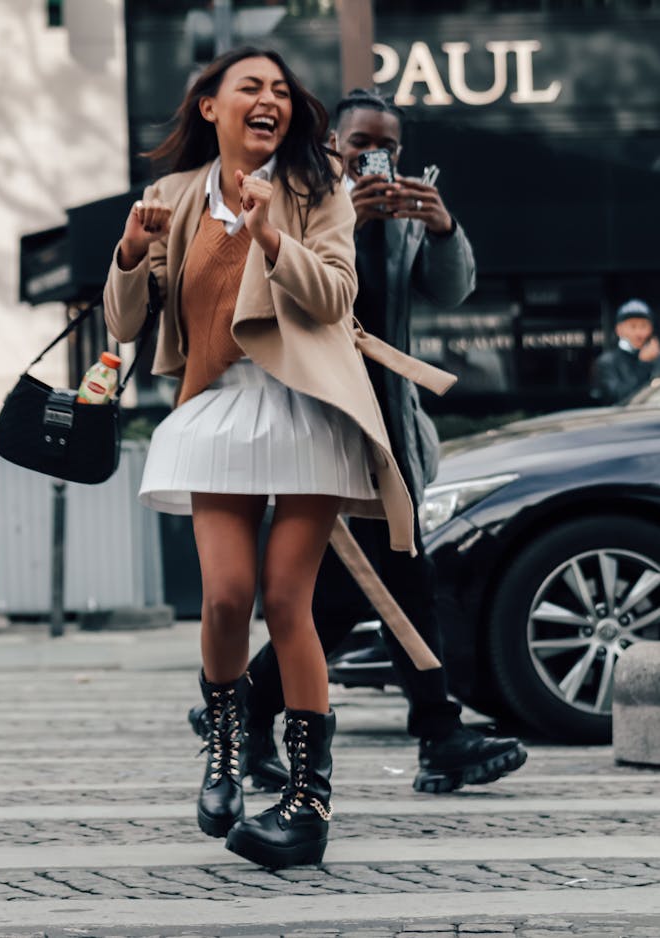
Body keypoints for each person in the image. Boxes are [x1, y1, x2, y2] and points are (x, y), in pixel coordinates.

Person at [103, 53, 423, 869]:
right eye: (251, 87)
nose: (270, 100)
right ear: (209, 106)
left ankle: (308, 806)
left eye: (281, 91)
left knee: (288, 602)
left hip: (310, 407)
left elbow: (335, 296)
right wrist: (132, 255)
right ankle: (226, 746)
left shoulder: (320, 190)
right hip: (217, 409)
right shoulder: (175, 198)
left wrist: (270, 230)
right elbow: (129, 323)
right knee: (224, 600)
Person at [190, 88, 527, 796]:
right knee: (394, 581)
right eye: (360, 143)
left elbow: (451, 291)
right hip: (324, 425)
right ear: (331, 146)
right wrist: (342, 226)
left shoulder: (408, 215)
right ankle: (437, 734)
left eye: (389, 146)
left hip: (389, 430)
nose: (376, 157)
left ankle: (245, 712)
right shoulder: (301, 205)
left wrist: (443, 229)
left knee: (351, 593)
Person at [593, 299, 660, 404]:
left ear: (651, 329)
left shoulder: (657, 358)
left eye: (644, 326)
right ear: (619, 330)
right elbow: (617, 398)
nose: (639, 333)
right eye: (632, 327)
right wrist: (643, 365)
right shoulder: (607, 362)